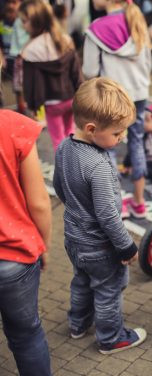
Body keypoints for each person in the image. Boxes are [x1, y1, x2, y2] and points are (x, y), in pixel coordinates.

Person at [53, 77, 147, 354]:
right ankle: (110, 338)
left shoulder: (63, 148)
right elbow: (108, 215)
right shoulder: (98, 165)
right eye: (117, 133)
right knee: (108, 291)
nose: (122, 138)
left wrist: (77, 210)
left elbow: (60, 187)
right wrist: (126, 245)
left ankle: (77, 324)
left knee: (81, 281)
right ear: (92, 129)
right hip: (101, 247)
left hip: (74, 238)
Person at [83, 0, 152, 219]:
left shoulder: (96, 28)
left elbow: (90, 70)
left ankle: (117, 203)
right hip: (139, 94)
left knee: (109, 150)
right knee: (136, 143)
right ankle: (140, 201)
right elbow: (148, 62)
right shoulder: (137, 20)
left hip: (112, 98)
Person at [0, 108, 52, 376]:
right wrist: (43, 244)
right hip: (14, 255)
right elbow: (40, 203)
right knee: (26, 336)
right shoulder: (12, 125)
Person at [19, 0, 83, 151]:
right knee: (71, 132)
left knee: (58, 140)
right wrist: (81, 92)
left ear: (35, 21)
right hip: (71, 96)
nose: (22, 26)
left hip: (52, 102)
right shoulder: (65, 39)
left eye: (24, 21)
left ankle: (65, 170)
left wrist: (33, 106)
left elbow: (30, 83)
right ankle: (75, 163)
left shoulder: (30, 50)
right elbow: (76, 70)